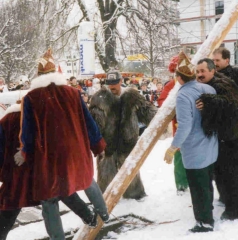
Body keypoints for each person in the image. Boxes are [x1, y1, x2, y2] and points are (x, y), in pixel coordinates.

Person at [14, 49, 107, 239]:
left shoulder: (31, 98)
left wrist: (24, 152)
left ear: (38, 75)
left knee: (49, 200)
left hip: (49, 158)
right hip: (77, 151)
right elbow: (88, 121)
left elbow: (28, 132)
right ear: (56, 73)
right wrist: (97, 145)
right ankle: (103, 212)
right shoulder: (73, 93)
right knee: (86, 179)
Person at [164, 52, 218, 233]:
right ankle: (208, 214)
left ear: (179, 78)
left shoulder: (183, 96)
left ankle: (204, 222)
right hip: (211, 145)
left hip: (195, 150)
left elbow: (185, 126)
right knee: (207, 185)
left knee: (198, 188)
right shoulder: (208, 89)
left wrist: (172, 148)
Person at [89, 70, 157, 200]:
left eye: (115, 83)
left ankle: (135, 194)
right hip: (107, 143)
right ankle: (105, 198)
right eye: (110, 83)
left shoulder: (132, 96)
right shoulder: (99, 98)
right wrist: (96, 142)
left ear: (121, 81)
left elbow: (147, 111)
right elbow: (94, 123)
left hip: (127, 141)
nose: (112, 86)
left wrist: (161, 116)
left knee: (130, 171)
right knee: (106, 174)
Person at [196, 58, 238, 220]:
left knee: (231, 174)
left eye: (203, 71)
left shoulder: (221, 85)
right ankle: (227, 199)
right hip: (224, 136)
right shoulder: (213, 83)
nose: (199, 74)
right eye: (198, 71)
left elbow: (231, 104)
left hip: (231, 138)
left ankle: (235, 210)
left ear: (212, 71)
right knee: (220, 172)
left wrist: (208, 101)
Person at [158, 55, 188, 195]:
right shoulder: (171, 85)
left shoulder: (192, 82)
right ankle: (181, 184)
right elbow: (162, 102)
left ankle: (195, 182)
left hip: (194, 125)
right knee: (179, 154)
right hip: (179, 124)